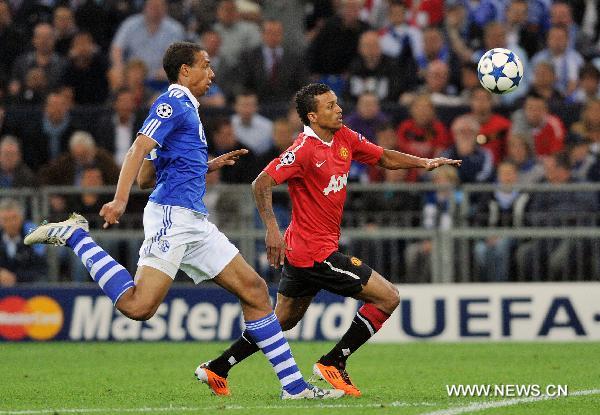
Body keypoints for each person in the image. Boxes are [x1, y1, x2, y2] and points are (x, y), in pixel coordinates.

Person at [24, 42, 342, 400]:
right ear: (184, 72)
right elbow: (137, 151)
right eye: (205, 66)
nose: (212, 73)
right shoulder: (172, 103)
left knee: (255, 292)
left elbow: (149, 174)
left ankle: (294, 387)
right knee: (138, 307)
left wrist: (203, 166)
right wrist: (118, 199)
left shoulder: (188, 108)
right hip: (171, 219)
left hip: (194, 221)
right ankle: (77, 237)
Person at [199, 83, 461, 397]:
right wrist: (271, 228)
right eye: (330, 106)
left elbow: (382, 157)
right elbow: (261, 182)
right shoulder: (303, 149)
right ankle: (334, 361)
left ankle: (218, 367)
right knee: (388, 297)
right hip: (314, 253)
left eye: (337, 104)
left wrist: (424, 163)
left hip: (306, 251)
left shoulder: (344, 137)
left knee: (281, 321)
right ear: (312, 116)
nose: (338, 110)